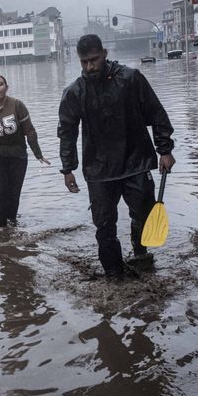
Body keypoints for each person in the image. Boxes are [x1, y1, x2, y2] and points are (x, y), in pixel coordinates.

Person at [57, 34, 176, 279]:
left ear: (104, 54)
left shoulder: (131, 79)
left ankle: (140, 252)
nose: (89, 67)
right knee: (104, 225)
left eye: (94, 60)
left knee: (143, 214)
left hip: (136, 161)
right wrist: (68, 168)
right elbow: (66, 132)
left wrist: (164, 150)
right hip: (99, 170)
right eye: (84, 62)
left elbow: (156, 114)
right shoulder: (75, 92)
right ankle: (113, 273)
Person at [0, 74, 50, 228]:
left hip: (17, 155)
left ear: (6, 88)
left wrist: (38, 154)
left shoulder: (17, 105)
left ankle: (12, 223)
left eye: (0, 84)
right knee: (1, 191)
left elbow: (29, 131)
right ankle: (2, 228)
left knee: (14, 193)